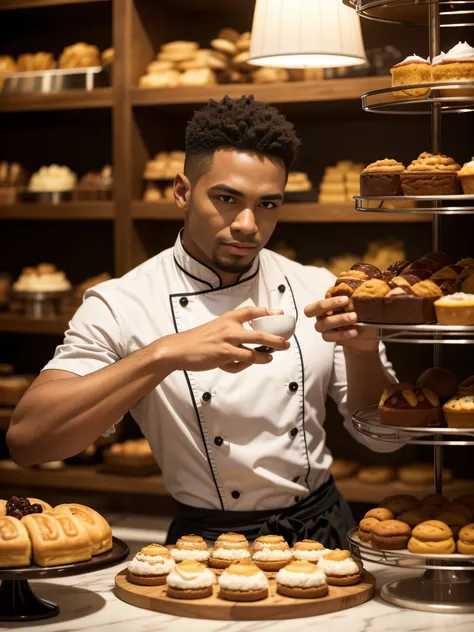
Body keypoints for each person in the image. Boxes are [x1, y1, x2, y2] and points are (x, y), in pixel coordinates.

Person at [8, 95, 398, 547]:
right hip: (207, 545)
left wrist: (363, 350)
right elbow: (28, 444)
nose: (249, 225)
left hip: (323, 534)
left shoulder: (317, 287)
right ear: (181, 191)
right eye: (227, 199)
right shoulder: (121, 302)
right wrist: (166, 353)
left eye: (268, 204)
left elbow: (386, 441)